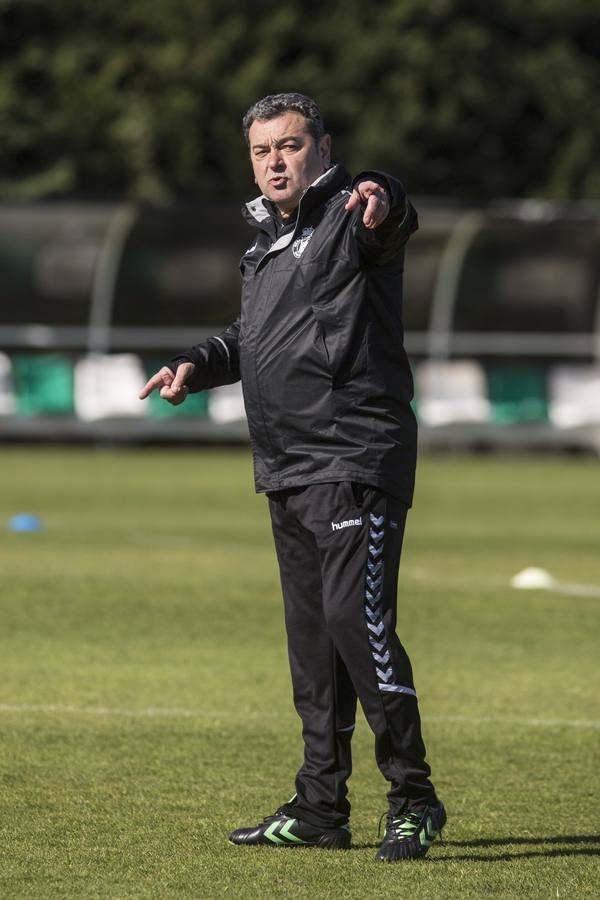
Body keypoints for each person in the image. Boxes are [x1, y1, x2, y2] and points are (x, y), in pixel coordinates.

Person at [139, 92, 445, 862]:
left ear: (322, 146)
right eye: (261, 151)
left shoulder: (350, 214)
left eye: (290, 145)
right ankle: (320, 807)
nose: (275, 161)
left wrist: (380, 189)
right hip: (287, 467)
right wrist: (196, 364)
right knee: (313, 646)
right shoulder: (269, 244)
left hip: (354, 459)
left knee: (354, 624)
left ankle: (414, 800)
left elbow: (391, 213)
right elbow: (255, 336)